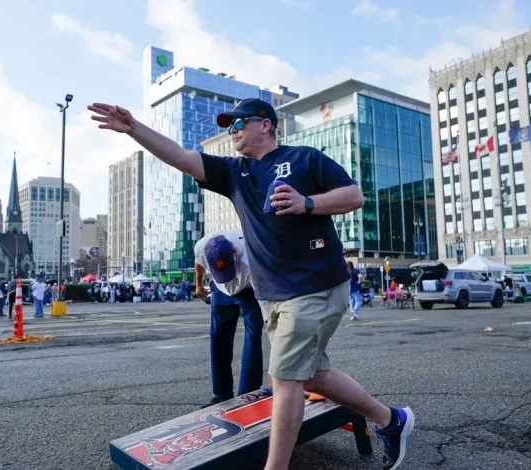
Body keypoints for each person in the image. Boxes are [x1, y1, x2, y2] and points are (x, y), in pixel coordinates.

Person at [89, 98, 414, 470]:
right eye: (229, 126)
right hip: (272, 295)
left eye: (239, 123)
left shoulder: (305, 158)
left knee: (285, 379)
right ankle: (392, 420)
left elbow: (354, 196)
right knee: (311, 376)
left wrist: (307, 202)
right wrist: (134, 128)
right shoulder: (235, 173)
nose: (233, 131)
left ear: (265, 124)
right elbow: (180, 156)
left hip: (315, 285)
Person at [194, 230, 265, 408]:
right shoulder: (202, 247)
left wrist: (268, 317)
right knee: (218, 336)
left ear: (234, 253)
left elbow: (264, 292)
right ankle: (222, 393)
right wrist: (199, 283)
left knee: (253, 336)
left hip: (250, 289)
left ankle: (248, 395)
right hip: (219, 289)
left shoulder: (250, 257)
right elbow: (198, 263)